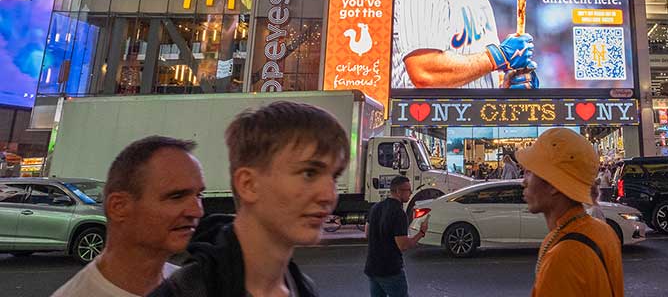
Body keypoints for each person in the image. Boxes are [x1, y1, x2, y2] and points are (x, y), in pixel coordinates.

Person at [150, 101, 350, 297]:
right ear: (248, 184)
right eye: (309, 173)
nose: (329, 195)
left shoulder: (303, 287)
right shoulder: (186, 291)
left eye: (334, 176)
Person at [52, 137, 205, 297]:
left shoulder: (190, 285)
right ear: (119, 207)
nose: (197, 211)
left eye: (199, 195)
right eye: (176, 196)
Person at [518, 127, 623, 297]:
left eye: (531, 172)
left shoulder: (563, 255)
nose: (523, 181)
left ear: (553, 185)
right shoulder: (604, 231)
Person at [390, 0, 537, 89]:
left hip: (472, 120)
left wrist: (507, 84)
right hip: (425, 122)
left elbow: (479, 73)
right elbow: (425, 72)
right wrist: (497, 56)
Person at [365, 176, 428, 297]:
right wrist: (421, 233)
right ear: (398, 191)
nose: (410, 193)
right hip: (390, 269)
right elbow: (403, 245)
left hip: (372, 268)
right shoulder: (399, 213)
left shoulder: (375, 207)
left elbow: (367, 233)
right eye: (408, 190)